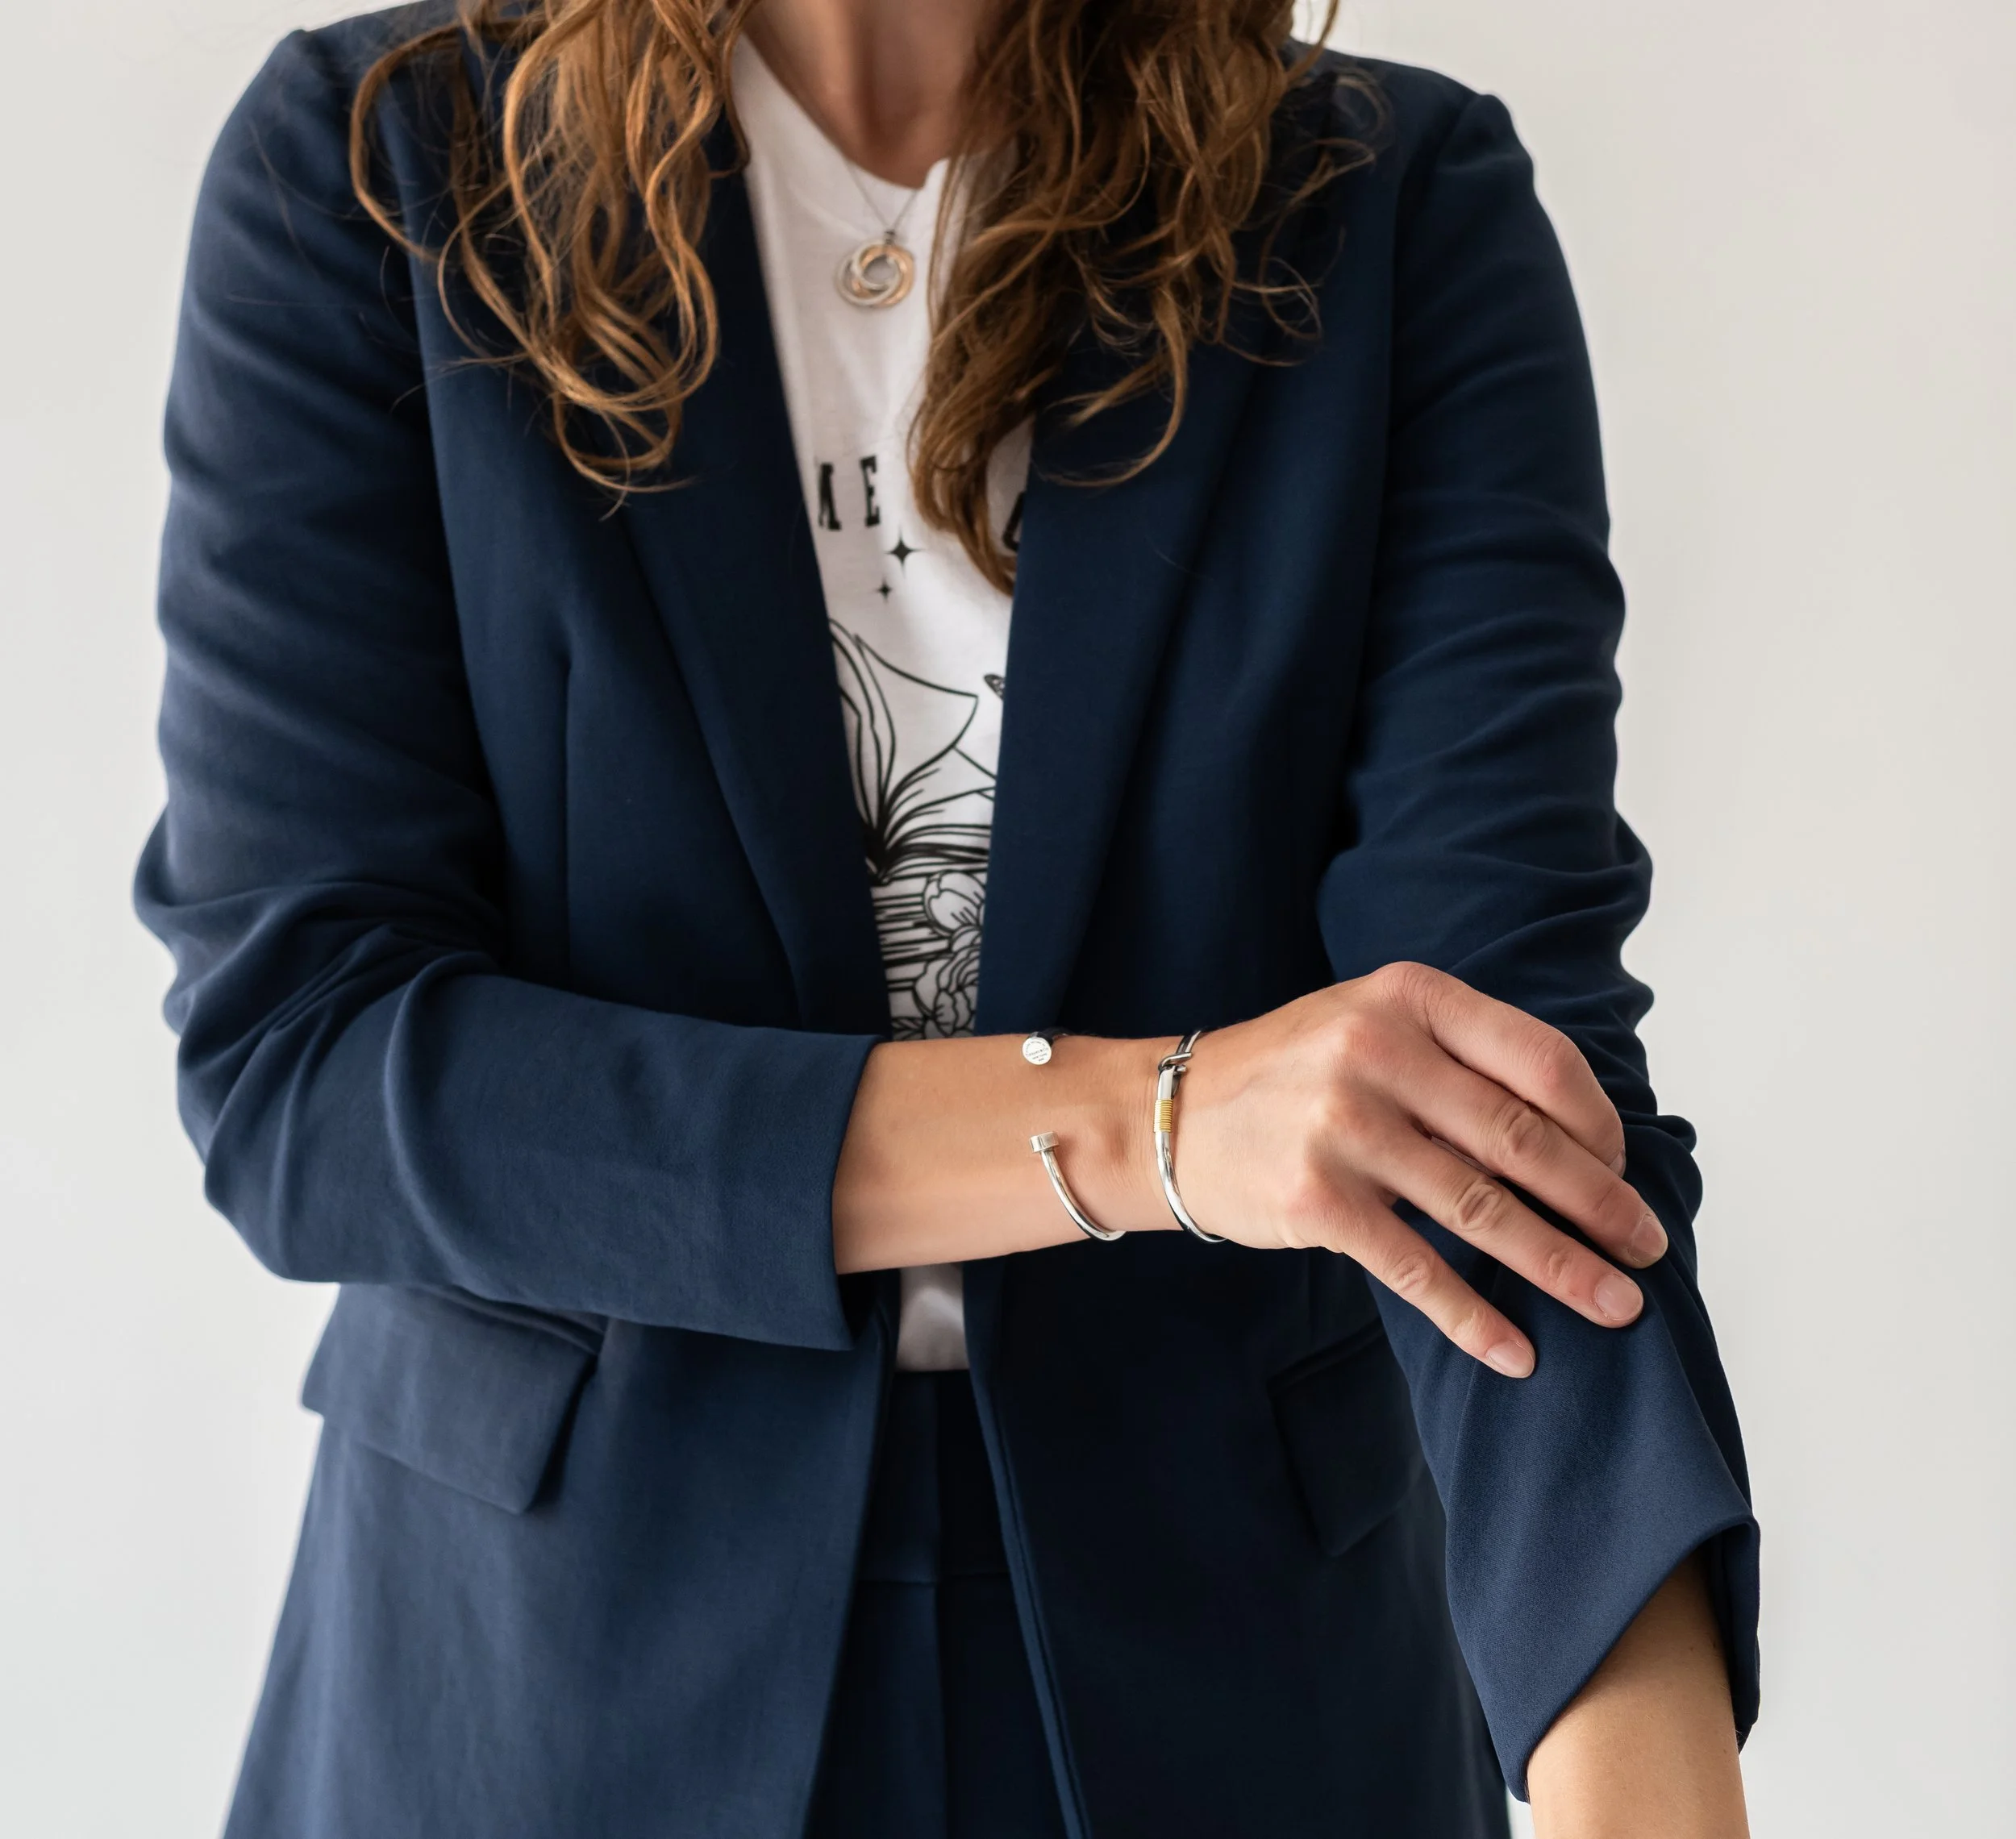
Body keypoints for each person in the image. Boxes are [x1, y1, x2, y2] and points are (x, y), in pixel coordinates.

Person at [136, 0, 1760, 1832]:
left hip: (1245, 1690)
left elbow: (1504, 1097)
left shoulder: (1385, 206)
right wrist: (1147, 1123)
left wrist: (1657, 1799)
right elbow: (312, 1070)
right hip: (544, 1693)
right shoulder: (385, 171)